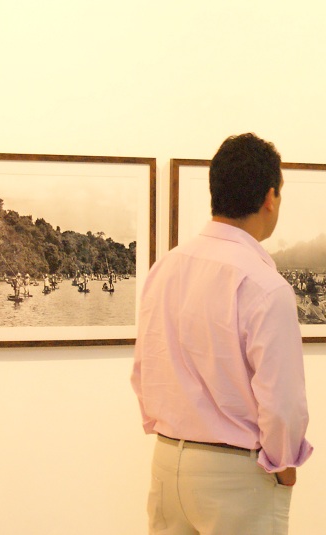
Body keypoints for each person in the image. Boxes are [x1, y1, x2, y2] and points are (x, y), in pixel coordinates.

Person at [132, 133, 313, 535]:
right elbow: (282, 402)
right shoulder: (265, 285)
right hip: (237, 475)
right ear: (270, 197)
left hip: (167, 462)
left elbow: (144, 370)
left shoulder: (165, 268)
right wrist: (284, 464)